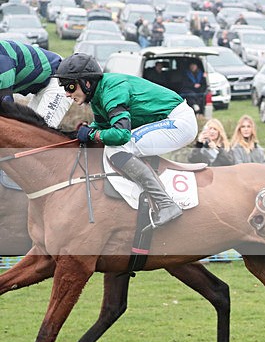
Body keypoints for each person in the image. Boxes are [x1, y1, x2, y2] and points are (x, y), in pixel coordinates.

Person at [56, 53, 196, 226]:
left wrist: (92, 134)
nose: (67, 94)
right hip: (169, 120)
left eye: (70, 86)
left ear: (87, 83)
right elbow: (102, 126)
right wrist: (82, 132)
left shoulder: (112, 89)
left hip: (178, 122)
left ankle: (166, 203)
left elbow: (121, 134)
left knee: (118, 148)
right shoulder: (97, 95)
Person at [0, 40, 73, 128]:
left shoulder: (2, 62)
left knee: (40, 132)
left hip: (58, 81)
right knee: (25, 130)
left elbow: (6, 108)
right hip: (42, 84)